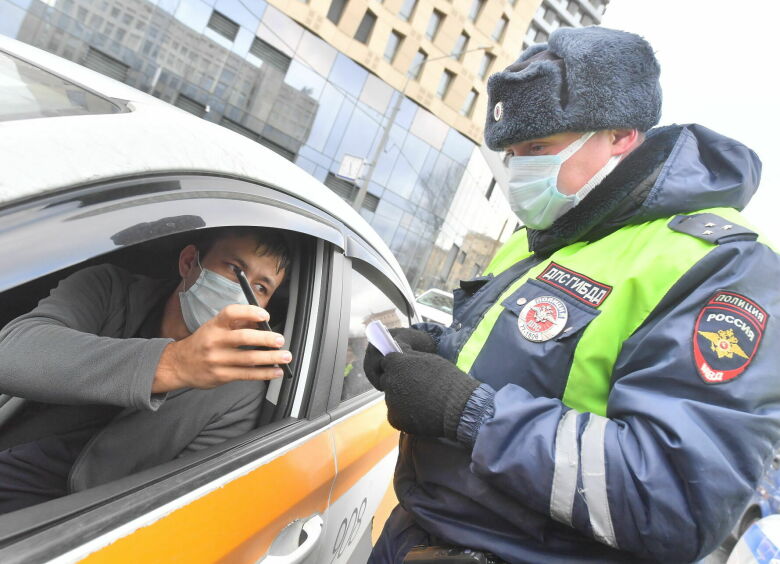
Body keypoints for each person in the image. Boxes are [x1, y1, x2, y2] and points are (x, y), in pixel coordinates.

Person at [365, 26, 780, 563]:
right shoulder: (543, 237)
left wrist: (469, 413)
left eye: (538, 147)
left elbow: (674, 502)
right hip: (414, 536)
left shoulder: (720, 264)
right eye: (512, 154)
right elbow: (523, 358)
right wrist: (433, 348)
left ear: (622, 135)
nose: (521, 172)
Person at [0, 226, 292, 513]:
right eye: (234, 269)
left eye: (260, 288)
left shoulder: (238, 391)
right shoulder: (108, 288)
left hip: (60, 519)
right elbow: (10, 353)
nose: (242, 294)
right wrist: (170, 363)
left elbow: (173, 502)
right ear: (189, 262)